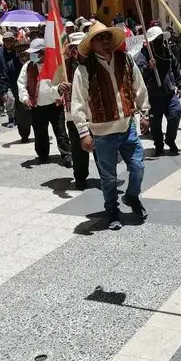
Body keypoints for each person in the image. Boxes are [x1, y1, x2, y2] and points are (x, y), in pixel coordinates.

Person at [70, 21, 150, 230]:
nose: (105, 42)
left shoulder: (126, 60)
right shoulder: (84, 69)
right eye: (99, 38)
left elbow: (138, 87)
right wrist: (83, 132)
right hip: (102, 133)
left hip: (127, 127)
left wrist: (144, 113)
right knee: (109, 177)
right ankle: (112, 210)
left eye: (107, 37)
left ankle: (131, 197)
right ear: (92, 44)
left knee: (138, 167)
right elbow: (77, 102)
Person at [57, 32, 104, 190]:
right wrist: (58, 89)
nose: (77, 51)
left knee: (99, 147)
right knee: (78, 149)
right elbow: (50, 87)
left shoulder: (96, 62)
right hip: (73, 115)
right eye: (73, 47)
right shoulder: (64, 66)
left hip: (95, 113)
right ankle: (80, 177)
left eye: (80, 47)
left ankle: (106, 176)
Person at [17, 39, 72, 166]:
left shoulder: (55, 65)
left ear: (43, 52)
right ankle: (42, 154)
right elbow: (21, 84)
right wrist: (25, 98)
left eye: (35, 53)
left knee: (60, 131)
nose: (33, 56)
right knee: (40, 132)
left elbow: (63, 82)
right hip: (37, 107)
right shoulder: (28, 66)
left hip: (55, 105)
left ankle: (66, 154)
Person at [137, 26, 181, 157]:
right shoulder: (144, 54)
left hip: (169, 94)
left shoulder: (167, 52)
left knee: (176, 113)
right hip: (154, 96)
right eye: (156, 39)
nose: (159, 41)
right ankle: (158, 144)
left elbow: (175, 67)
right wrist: (149, 67)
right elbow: (139, 74)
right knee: (156, 123)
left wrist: (179, 84)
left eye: (160, 38)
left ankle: (170, 139)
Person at [0, 32, 20, 129]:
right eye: (6, 40)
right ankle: (11, 118)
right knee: (10, 99)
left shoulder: (17, 51)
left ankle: (18, 117)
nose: (8, 42)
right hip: (4, 80)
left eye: (11, 40)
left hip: (16, 78)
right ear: (3, 41)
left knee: (17, 99)